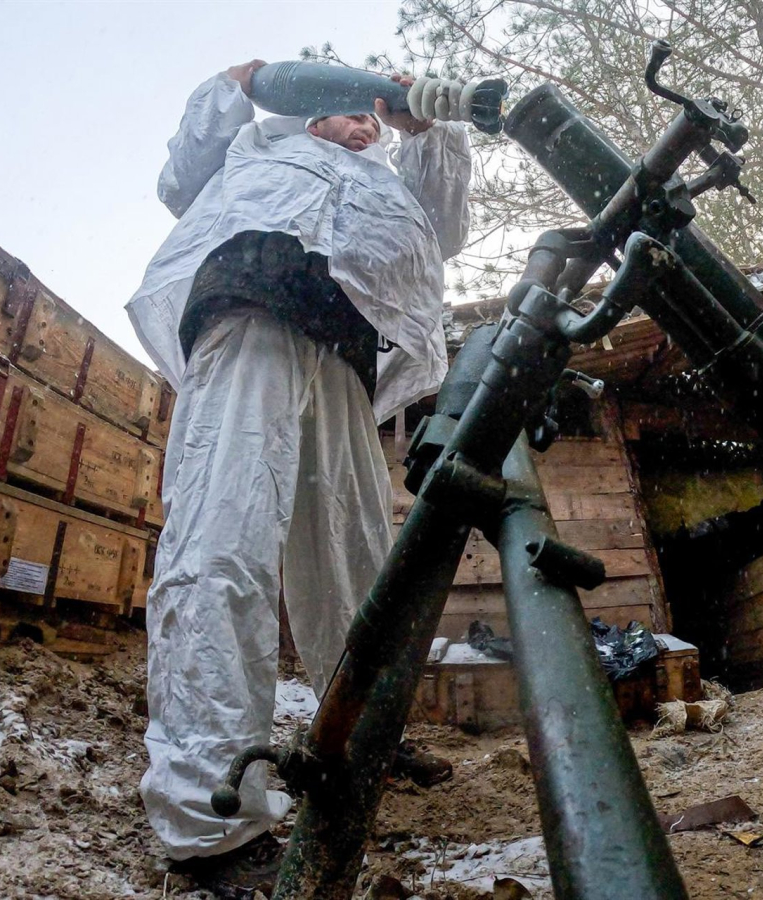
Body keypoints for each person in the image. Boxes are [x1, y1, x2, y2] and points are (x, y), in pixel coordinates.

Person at [126, 59, 471, 886]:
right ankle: (211, 825)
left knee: (355, 565)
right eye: (349, 113)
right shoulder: (256, 148)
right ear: (312, 114)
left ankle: (365, 737)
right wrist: (238, 83)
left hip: (347, 353)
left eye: (373, 120)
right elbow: (178, 179)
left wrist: (430, 131)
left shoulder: (387, 183)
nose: (364, 125)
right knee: (223, 546)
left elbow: (446, 230)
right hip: (250, 312)